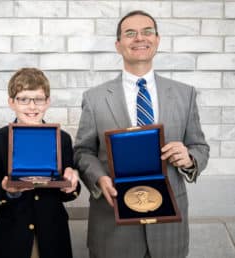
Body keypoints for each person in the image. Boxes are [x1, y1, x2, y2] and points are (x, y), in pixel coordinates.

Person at [74, 10, 210, 258]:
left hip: (169, 230)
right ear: (118, 45)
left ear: (157, 40)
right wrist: (98, 178)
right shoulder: (94, 98)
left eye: (147, 32)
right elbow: (83, 151)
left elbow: (200, 147)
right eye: (130, 33)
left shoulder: (184, 94)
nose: (140, 38)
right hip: (112, 227)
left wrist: (189, 157)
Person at [0, 68, 81, 258]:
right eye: (23, 99)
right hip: (12, 237)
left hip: (53, 235)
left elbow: (71, 194)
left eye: (39, 99)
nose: (32, 106)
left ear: (48, 102)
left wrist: (71, 185)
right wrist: (8, 192)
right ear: (11, 102)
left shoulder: (63, 139)